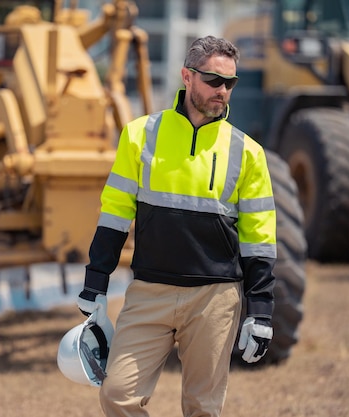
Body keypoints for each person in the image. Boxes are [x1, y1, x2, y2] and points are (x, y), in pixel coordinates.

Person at [77, 35, 277, 417]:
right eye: (214, 81)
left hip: (215, 299)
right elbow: (115, 213)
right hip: (149, 292)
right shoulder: (140, 135)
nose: (223, 92)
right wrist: (96, 281)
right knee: (117, 395)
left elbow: (259, 240)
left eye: (231, 83)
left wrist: (261, 311)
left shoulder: (248, 152)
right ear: (187, 76)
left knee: (203, 408)